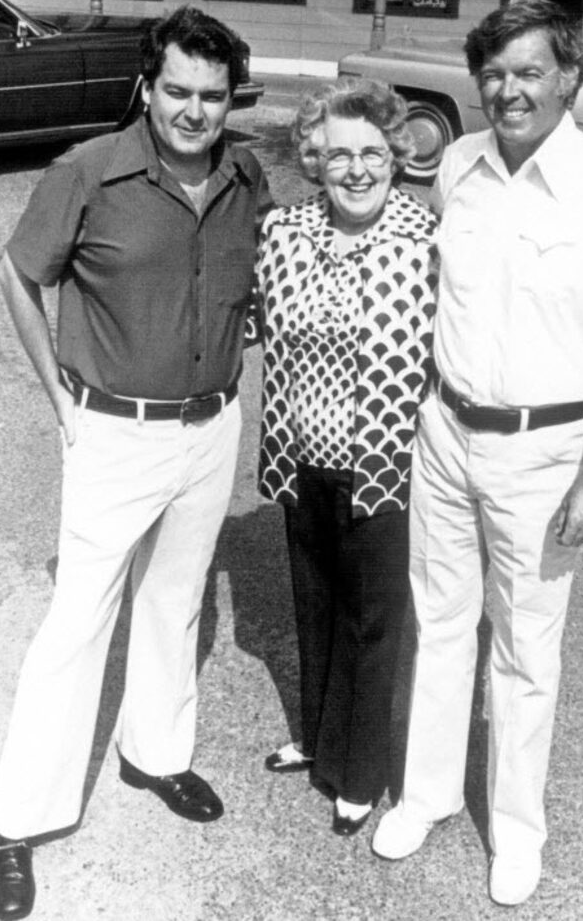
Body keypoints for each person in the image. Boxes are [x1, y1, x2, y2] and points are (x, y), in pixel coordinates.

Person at [371, 0, 583, 907]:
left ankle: (516, 831)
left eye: (530, 72)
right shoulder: (456, 164)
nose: (510, 91)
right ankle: (424, 796)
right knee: (440, 623)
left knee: (528, 651)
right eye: (494, 74)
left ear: (570, 77)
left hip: (545, 452)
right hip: (446, 433)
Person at [0, 7, 272, 920]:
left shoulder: (245, 174)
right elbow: (18, 276)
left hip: (211, 424)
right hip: (113, 429)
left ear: (232, 100)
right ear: (148, 86)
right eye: (178, 91)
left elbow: (250, 281)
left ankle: (156, 755)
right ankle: (16, 820)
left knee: (175, 601)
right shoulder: (87, 172)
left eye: (213, 97)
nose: (194, 111)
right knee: (79, 621)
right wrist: (59, 396)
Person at [256, 79, 437, 836]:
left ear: (396, 157)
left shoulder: (424, 238)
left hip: (383, 462)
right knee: (315, 602)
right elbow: (260, 325)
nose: (356, 169)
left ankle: (359, 771)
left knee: (371, 619)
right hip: (301, 454)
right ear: (313, 160)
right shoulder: (285, 230)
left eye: (371, 153)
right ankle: (319, 737)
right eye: (338, 156)